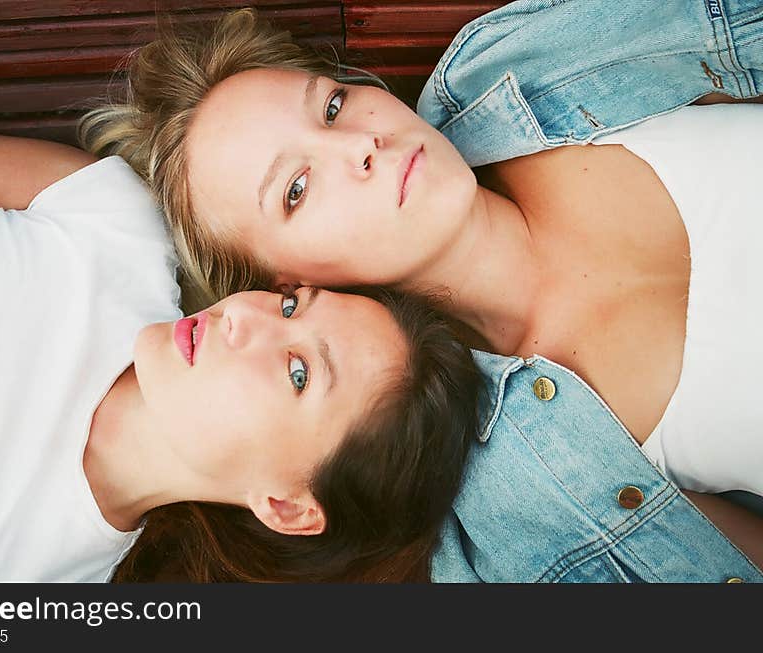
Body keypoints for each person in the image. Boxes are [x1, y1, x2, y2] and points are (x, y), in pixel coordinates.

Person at [77, 5, 763, 581]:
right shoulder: (516, 485)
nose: (359, 146)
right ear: (288, 283)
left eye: (332, 105)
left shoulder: (501, 67)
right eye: (296, 188)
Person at [0, 107, 481, 582]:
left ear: (288, 507)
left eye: (298, 371)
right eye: (292, 305)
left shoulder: (17, 583)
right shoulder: (115, 225)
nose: (244, 316)